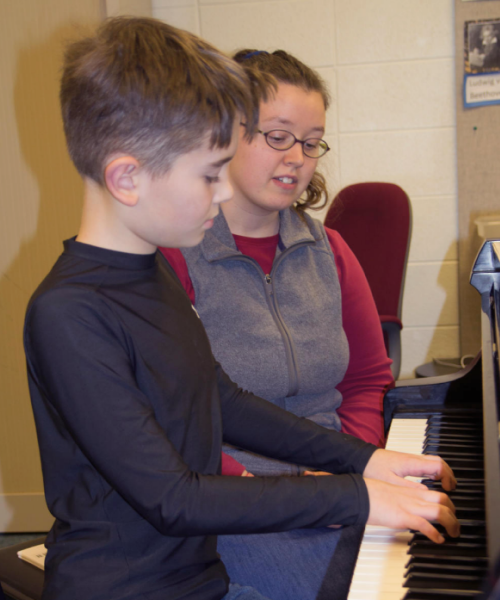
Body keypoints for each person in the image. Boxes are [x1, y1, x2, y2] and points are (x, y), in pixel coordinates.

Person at [24, 19, 459, 600]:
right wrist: (354, 496)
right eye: (209, 175)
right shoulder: (69, 312)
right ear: (127, 178)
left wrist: (365, 460)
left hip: (196, 574)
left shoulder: (149, 271)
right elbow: (174, 497)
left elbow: (220, 399)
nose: (224, 192)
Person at [159, 49, 401, 598]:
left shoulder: (330, 250)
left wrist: (353, 470)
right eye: (277, 135)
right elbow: (170, 420)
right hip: (233, 495)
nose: (297, 156)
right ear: (226, 134)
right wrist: (295, 494)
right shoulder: (174, 256)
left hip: (338, 474)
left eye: (311, 141)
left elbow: (365, 380)